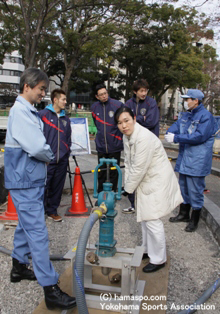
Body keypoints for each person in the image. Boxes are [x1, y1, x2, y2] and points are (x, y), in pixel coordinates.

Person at [4, 68, 76, 310]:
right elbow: (38, 147)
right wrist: (49, 154)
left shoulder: (26, 111)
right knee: (38, 233)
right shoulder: (21, 112)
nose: (43, 94)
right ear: (27, 86)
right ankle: (50, 288)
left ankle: (18, 268)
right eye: (41, 89)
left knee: (26, 227)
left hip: (27, 179)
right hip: (25, 180)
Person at [114, 106, 183, 272]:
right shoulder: (128, 136)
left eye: (126, 121)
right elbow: (130, 163)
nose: (123, 125)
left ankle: (159, 259)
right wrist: (128, 185)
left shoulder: (143, 137)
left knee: (152, 220)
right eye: (119, 123)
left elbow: (139, 168)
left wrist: (128, 188)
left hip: (156, 180)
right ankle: (147, 249)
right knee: (144, 217)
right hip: (145, 180)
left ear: (134, 119)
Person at [165, 89, 218, 232]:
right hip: (185, 159)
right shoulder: (187, 115)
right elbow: (176, 127)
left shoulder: (206, 116)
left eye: (188, 99)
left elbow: (199, 136)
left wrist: (176, 138)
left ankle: (194, 219)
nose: (185, 102)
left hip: (197, 161)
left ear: (196, 101)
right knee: (183, 188)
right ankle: (184, 214)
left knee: (195, 190)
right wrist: (170, 132)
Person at [123, 79, 160, 213]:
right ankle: (133, 203)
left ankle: (149, 204)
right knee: (132, 172)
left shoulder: (152, 103)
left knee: (147, 173)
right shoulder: (128, 103)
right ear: (135, 91)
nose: (144, 93)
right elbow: (125, 121)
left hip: (148, 143)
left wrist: (135, 119)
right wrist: (140, 119)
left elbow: (151, 121)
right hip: (132, 142)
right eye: (141, 91)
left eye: (145, 90)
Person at [38, 89, 71, 222]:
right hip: (46, 160)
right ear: (55, 100)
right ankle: (39, 212)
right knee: (43, 186)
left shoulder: (66, 119)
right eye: (63, 99)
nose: (65, 102)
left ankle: (52, 210)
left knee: (57, 186)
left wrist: (66, 153)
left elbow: (68, 138)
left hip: (62, 160)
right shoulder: (42, 115)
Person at [91, 83, 124, 195]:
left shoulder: (117, 105)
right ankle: (100, 192)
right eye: (101, 94)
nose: (104, 96)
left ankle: (114, 192)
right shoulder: (94, 107)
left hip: (114, 144)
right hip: (101, 144)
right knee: (101, 171)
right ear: (97, 96)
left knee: (114, 170)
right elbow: (96, 124)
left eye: (105, 93)